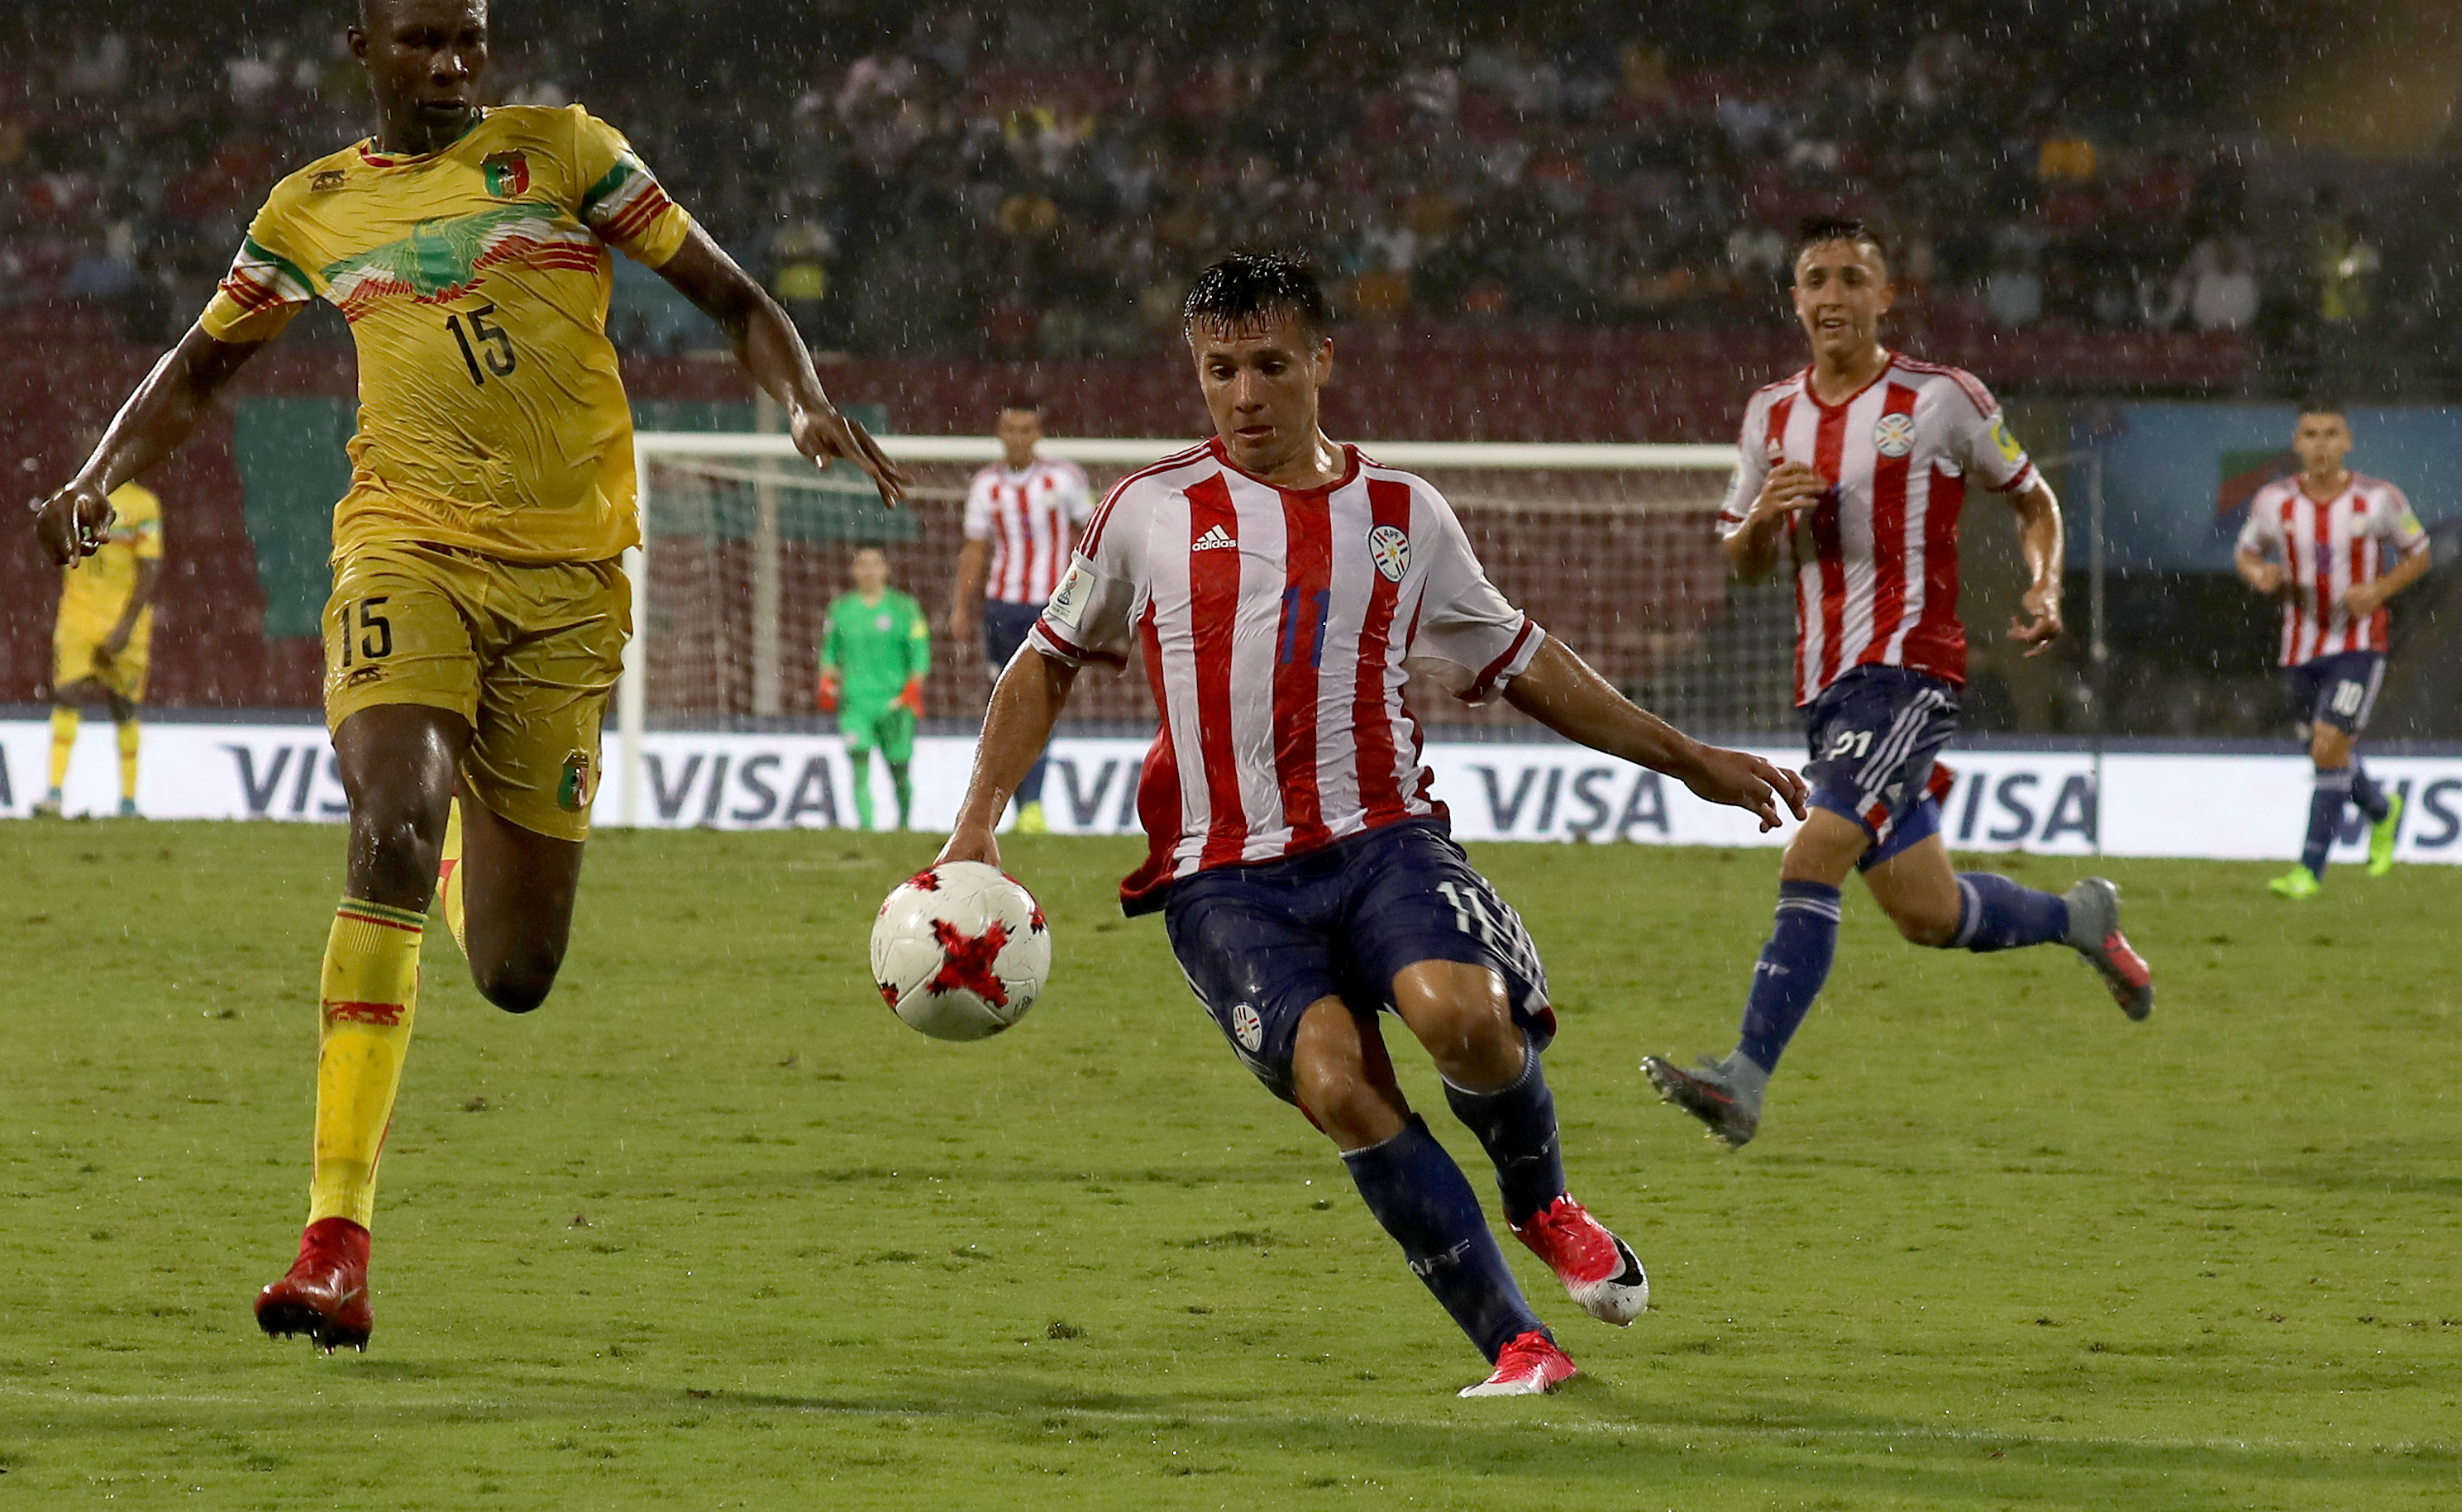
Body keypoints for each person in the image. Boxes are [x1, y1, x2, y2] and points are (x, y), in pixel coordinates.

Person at [32, 0, 901, 1352]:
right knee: (382, 818)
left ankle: (448, 838)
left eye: (470, 40)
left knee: (511, 970)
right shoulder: (310, 208)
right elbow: (195, 369)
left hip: (569, 584)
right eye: (422, 41)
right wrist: (97, 474)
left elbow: (737, 299)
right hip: (405, 544)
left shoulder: (564, 154)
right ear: (359, 52)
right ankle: (333, 1237)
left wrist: (801, 398)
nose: (449, 65)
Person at [938, 254, 1806, 1397]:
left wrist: (1688, 758)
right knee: (1341, 1087)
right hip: (1223, 879)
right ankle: (1517, 1342)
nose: (1242, 393)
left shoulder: (1401, 513)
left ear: (1320, 362)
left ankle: (1540, 1199)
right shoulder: (1147, 510)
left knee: (1462, 1018)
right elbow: (1043, 662)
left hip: (1380, 835)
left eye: (1267, 365)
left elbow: (1527, 662)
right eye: (1217, 369)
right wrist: (975, 825)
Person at [1642, 217, 2154, 1152]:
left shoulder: (1940, 398)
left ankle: (1743, 1078)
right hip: (1827, 688)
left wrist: (2043, 582)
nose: (1831, 294)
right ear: (1794, 300)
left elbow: (2031, 495)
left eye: (1851, 277)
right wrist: (1764, 515)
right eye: (1814, 279)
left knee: (1812, 853)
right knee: (1929, 911)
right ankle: (2082, 917)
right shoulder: (1771, 414)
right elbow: (1745, 560)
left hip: (1912, 669)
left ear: (1887, 297)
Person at [2234, 404, 2431, 899]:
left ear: (2348, 442)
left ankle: (2309, 870)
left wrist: (2380, 589)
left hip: (2360, 645)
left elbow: (2420, 551)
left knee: (2327, 744)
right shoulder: (2274, 502)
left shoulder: (2379, 499)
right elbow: (2246, 550)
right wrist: (2259, 574)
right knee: (2324, 750)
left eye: (2330, 434)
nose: (2321, 444)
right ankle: (2383, 811)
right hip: (2299, 647)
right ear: (2297, 444)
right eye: (2311, 435)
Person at [949, 405, 1090, 832]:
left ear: (1039, 433)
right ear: (1000, 431)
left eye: (1026, 429)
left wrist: (1088, 599)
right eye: (1010, 428)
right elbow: (975, 549)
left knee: (1040, 705)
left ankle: (1033, 806)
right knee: (1003, 708)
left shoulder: (1064, 478)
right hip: (1002, 608)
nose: (1018, 437)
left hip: (1051, 607)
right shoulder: (985, 485)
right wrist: (960, 605)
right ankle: (1008, 809)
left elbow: (1091, 538)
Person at [37, 477, 162, 818]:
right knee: (68, 694)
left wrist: (126, 625)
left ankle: (129, 803)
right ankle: (54, 794)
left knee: (123, 704)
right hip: (78, 616)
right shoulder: (65, 499)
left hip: (125, 618)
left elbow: (150, 567)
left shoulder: (143, 505)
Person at [818, 545, 932, 832]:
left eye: (875, 564)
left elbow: (920, 652)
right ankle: (866, 830)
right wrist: (827, 681)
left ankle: (904, 824)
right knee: (858, 762)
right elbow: (830, 653)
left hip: (895, 701)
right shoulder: (841, 610)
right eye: (862, 564)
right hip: (855, 701)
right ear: (854, 569)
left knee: (899, 767)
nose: (869, 571)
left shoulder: (905, 608)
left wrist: (912, 687)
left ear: (886, 569)